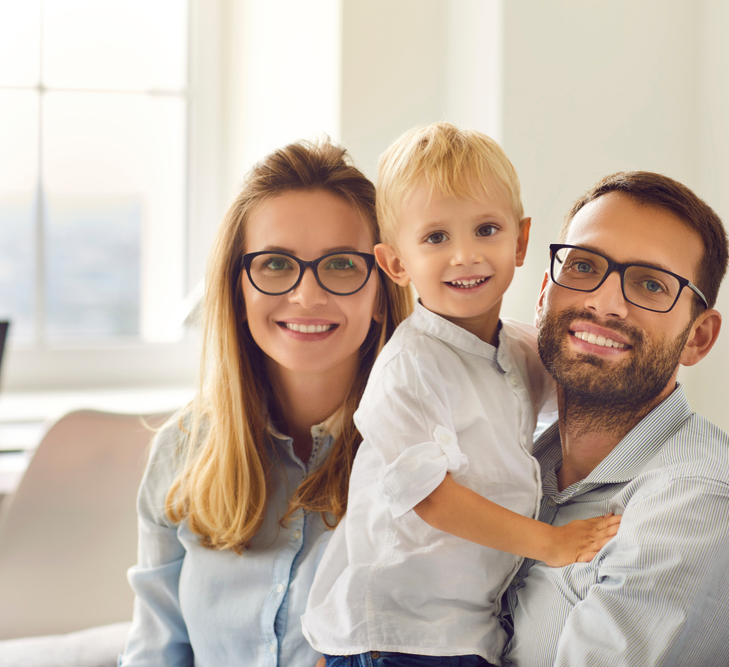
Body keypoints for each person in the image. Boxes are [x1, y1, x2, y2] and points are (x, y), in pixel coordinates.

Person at [302, 123, 620, 667]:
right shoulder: (408, 369)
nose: (465, 256)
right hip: (395, 633)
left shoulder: (519, 349)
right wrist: (551, 543)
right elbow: (431, 498)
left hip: (465, 629)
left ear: (520, 242)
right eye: (435, 238)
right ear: (396, 264)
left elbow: (581, 390)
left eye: (486, 229)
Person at [119, 139, 412, 666]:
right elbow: (156, 650)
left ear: (381, 291)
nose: (307, 295)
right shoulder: (180, 452)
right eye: (276, 263)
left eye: (342, 264)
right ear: (238, 289)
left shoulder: (427, 456)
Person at [502, 172, 729, 666]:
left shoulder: (699, 502)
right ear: (543, 294)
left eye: (649, 284)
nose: (604, 302)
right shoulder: (519, 464)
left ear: (698, 337)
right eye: (582, 266)